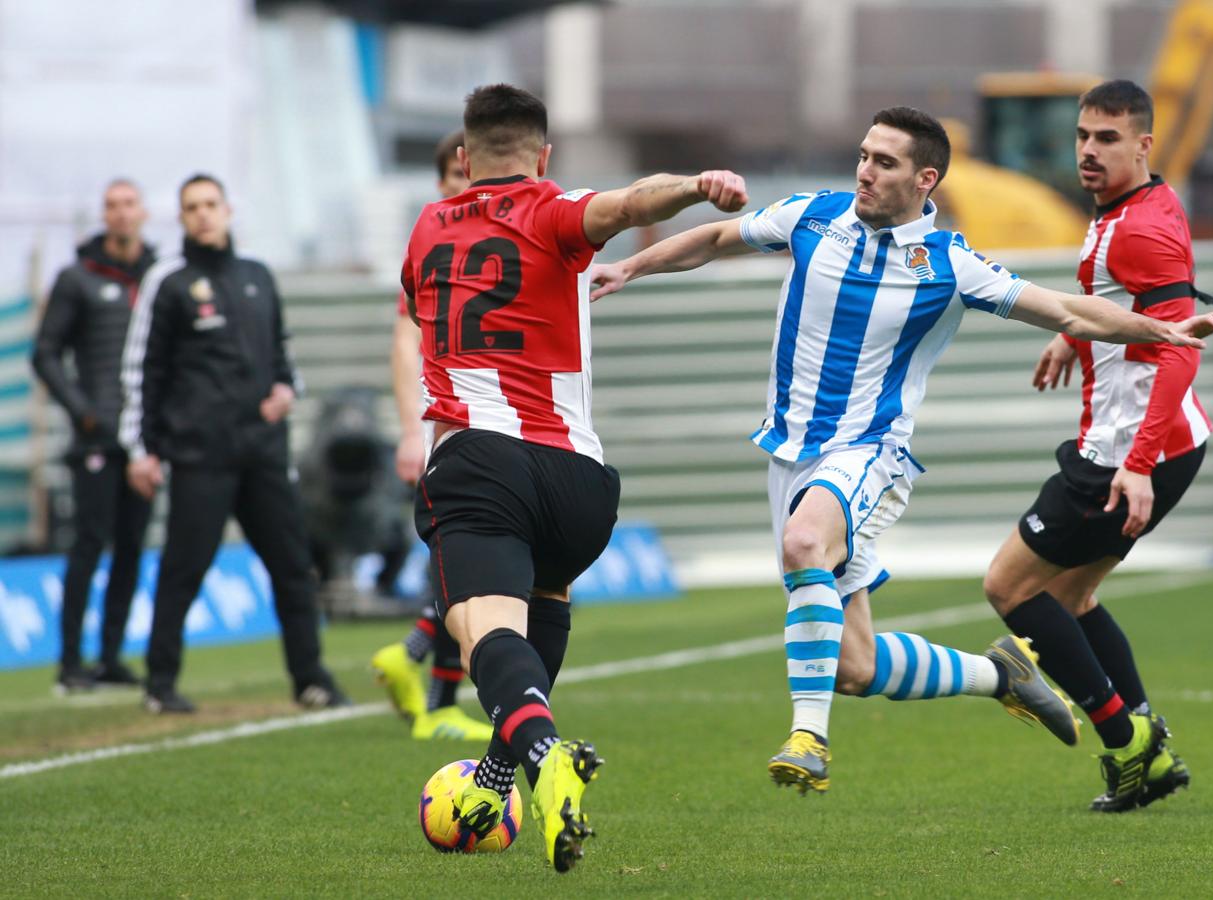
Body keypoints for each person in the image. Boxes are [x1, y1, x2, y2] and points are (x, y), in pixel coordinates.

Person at [589, 104, 1213, 799]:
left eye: (885, 162)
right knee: (854, 666)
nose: (865, 171)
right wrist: (629, 266)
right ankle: (1001, 676)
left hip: (869, 452)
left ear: (925, 179)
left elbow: (1067, 310)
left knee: (804, 542)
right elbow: (718, 237)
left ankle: (808, 738)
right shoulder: (812, 215)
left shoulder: (950, 264)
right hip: (790, 455)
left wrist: (1162, 329)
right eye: (864, 155)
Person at [400, 83, 747, 873]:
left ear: (463, 157)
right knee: (543, 602)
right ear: (544, 155)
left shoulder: (426, 228)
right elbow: (629, 202)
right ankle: (497, 779)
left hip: (481, 461)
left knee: (482, 630)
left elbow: (422, 313)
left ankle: (545, 756)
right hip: (581, 483)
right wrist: (696, 187)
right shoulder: (556, 210)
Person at [978, 79, 1213, 812]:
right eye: (1084, 135)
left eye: (1108, 139)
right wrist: (1073, 333)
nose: (1089, 150)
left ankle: (1127, 741)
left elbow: (1178, 348)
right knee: (1073, 597)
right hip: (1170, 441)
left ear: (1143, 144)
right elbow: (1133, 304)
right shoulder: (1137, 204)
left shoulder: (1137, 228)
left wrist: (1138, 466)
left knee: (1010, 588)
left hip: (1124, 453)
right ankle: (1151, 750)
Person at [118, 173, 348, 714]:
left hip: (264, 451)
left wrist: (287, 390)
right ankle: (160, 684)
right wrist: (140, 449)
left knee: (293, 566)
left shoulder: (257, 275)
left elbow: (283, 354)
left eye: (210, 204)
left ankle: (310, 679)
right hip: (201, 455)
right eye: (192, 207)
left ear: (227, 210)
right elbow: (141, 369)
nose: (203, 214)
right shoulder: (168, 281)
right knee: (183, 569)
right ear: (182, 218)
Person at [370, 128, 493, 743]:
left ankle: (424, 671)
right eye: (454, 176)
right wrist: (410, 431)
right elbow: (404, 341)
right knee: (467, 562)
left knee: (468, 560)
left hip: (478, 420)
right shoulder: (433, 243)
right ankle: (426, 673)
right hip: (449, 424)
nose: (462, 186)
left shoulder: (481, 244)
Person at [32, 179, 156, 692]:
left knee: (131, 547)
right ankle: (69, 663)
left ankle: (110, 657)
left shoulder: (158, 277)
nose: (121, 213)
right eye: (112, 206)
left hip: (143, 441)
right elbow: (45, 354)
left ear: (144, 212)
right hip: (96, 439)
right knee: (88, 545)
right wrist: (82, 412)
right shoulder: (77, 278)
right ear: (103, 215)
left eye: (129, 204)